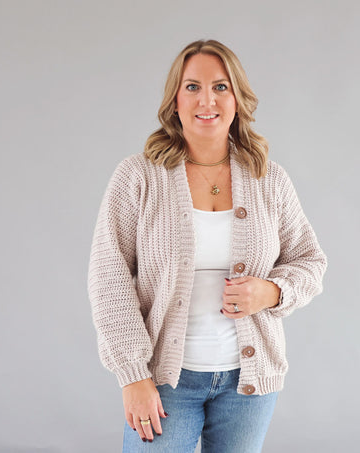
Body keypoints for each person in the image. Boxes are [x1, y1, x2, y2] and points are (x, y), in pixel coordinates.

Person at [87, 39, 327, 453]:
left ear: (237, 99)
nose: (207, 100)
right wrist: (133, 375)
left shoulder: (269, 179)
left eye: (220, 87)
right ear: (175, 100)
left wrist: (271, 291)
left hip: (248, 384)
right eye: (192, 87)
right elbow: (108, 277)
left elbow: (310, 260)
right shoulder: (139, 176)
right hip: (164, 381)